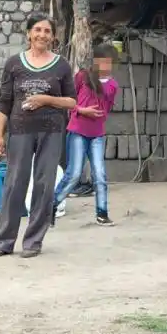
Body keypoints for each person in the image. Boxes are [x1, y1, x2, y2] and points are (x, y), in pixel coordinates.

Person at [0, 14, 76, 259]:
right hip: (20, 131)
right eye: (37, 30)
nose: (42, 35)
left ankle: (33, 242)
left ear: (53, 37)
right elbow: (5, 102)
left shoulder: (61, 65)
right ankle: (3, 242)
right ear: (28, 33)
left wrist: (47, 100)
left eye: (47, 31)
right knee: (14, 184)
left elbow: (72, 101)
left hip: (51, 131)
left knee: (44, 185)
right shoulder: (14, 64)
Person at [54, 43, 119, 226]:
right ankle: (52, 205)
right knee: (73, 173)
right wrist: (82, 110)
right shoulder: (82, 77)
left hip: (97, 133)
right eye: (102, 61)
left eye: (109, 62)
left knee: (100, 174)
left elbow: (108, 107)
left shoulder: (113, 85)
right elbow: (69, 100)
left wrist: (99, 115)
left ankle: (102, 213)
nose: (105, 65)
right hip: (78, 131)